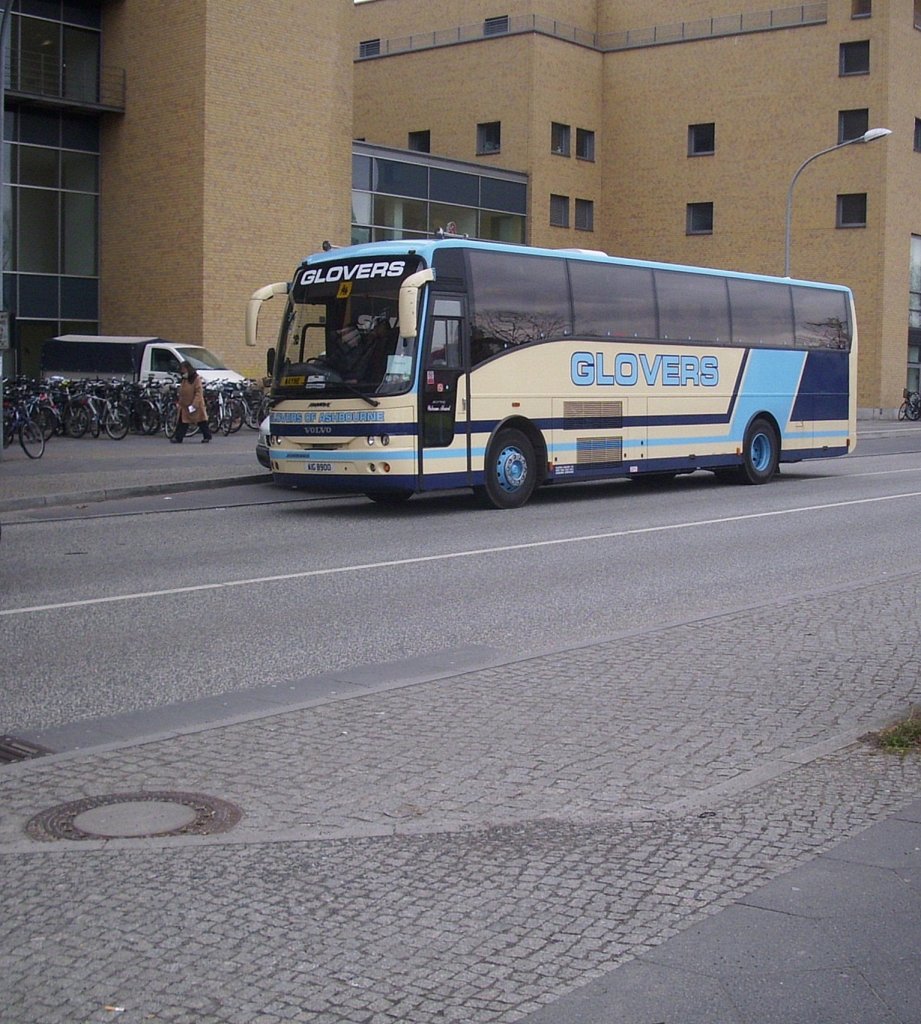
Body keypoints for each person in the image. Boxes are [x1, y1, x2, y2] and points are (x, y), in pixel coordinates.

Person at [170, 360, 213, 443]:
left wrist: (195, 404)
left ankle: (207, 436)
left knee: (201, 421)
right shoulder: (185, 379)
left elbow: (198, 392)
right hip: (184, 405)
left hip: (194, 404)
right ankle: (178, 437)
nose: (182, 371)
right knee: (182, 421)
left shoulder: (196, 378)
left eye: (183, 369)